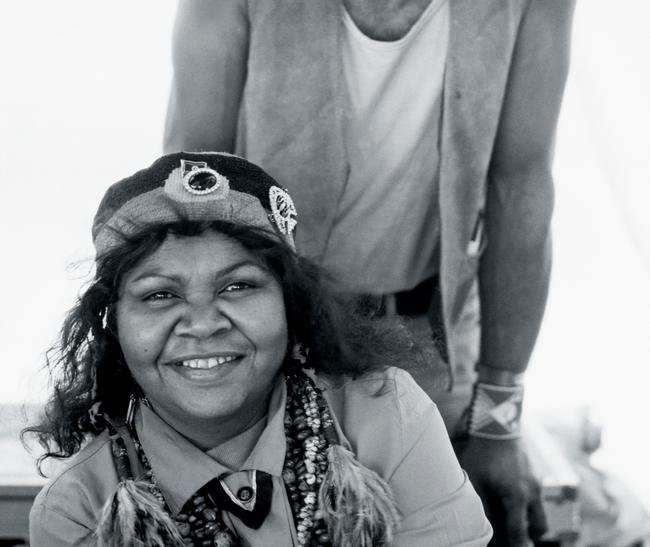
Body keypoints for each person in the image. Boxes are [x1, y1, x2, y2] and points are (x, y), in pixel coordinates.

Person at [163, 0, 580, 543]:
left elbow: (521, 187)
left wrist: (499, 414)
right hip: (259, 329)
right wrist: (189, 389)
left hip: (424, 333)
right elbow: (189, 181)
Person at [27, 151, 491, 547]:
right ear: (113, 325)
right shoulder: (78, 508)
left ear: (291, 304)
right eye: (159, 295)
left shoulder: (387, 413)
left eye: (238, 286)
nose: (204, 324)